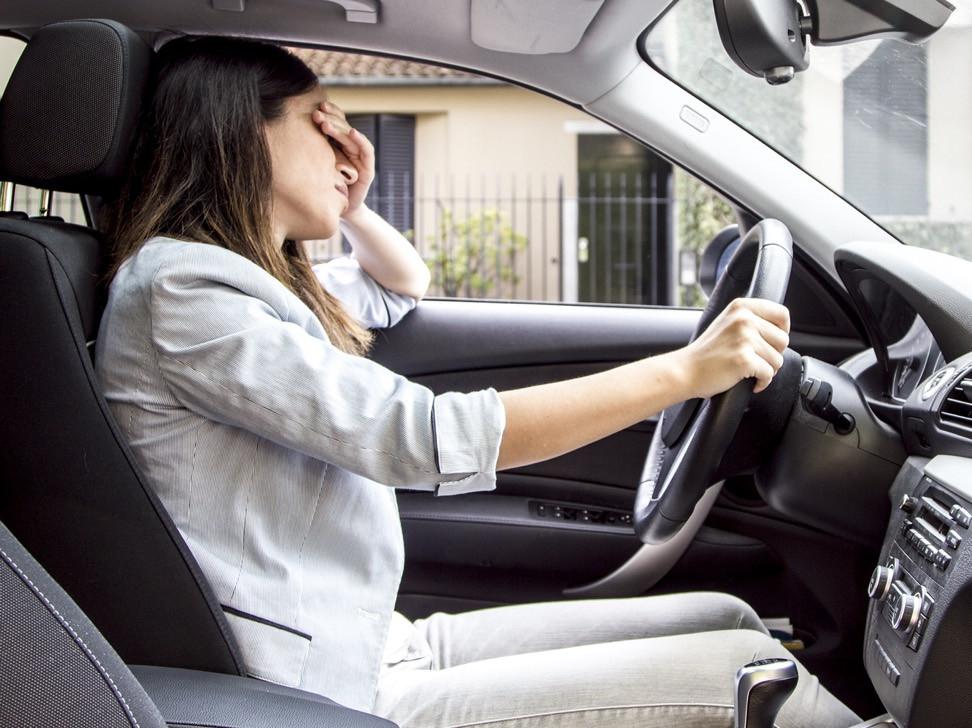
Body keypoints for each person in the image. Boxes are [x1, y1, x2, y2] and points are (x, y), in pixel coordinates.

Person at [96, 35, 859, 728]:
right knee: (745, 676)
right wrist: (685, 372)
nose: (346, 148)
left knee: (726, 619)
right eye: (322, 124)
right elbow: (419, 438)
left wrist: (354, 208)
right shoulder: (184, 295)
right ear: (242, 133)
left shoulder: (258, 284)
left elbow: (402, 285)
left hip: (371, 642)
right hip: (315, 691)